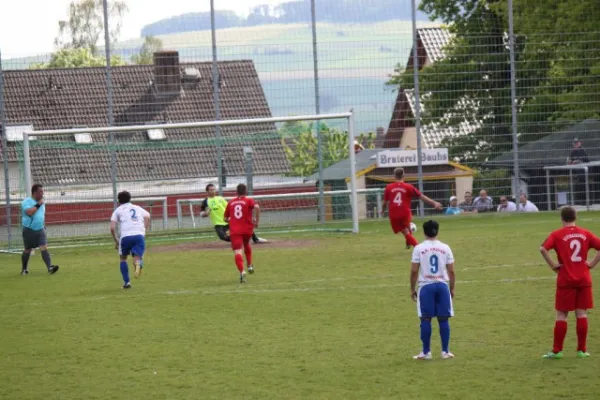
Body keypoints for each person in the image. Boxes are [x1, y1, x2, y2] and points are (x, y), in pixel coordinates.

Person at [539, 206, 600, 359]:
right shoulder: (585, 233)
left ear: (562, 218)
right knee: (582, 314)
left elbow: (542, 249)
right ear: (575, 217)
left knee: (561, 315)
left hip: (566, 279)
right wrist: (591, 264)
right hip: (584, 279)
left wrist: (553, 265)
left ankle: (557, 351)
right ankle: (582, 350)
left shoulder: (557, 234)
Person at [411, 220, 456, 360]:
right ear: (437, 231)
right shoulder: (446, 248)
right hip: (442, 286)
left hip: (426, 286)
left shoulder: (418, 248)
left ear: (424, 232)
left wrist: (412, 288)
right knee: (443, 319)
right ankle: (445, 351)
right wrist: (452, 288)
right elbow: (452, 271)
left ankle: (426, 352)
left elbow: (414, 271)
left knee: (425, 319)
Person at [381, 168, 442, 249]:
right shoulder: (408, 187)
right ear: (403, 176)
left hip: (394, 213)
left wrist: (382, 210)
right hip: (405, 213)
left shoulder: (389, 187)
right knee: (407, 228)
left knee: (405, 231)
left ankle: (417, 247)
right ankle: (411, 245)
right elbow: (421, 197)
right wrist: (434, 203)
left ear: (394, 176)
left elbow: (385, 202)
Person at [200, 184, 267, 244]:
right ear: (207, 191)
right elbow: (201, 213)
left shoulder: (220, 198)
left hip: (228, 220)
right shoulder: (205, 201)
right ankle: (239, 240)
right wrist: (205, 213)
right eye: (211, 190)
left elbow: (229, 207)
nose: (213, 191)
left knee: (244, 226)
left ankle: (256, 239)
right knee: (223, 237)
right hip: (218, 224)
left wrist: (232, 216)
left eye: (214, 189)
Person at [110, 191, 151, 289]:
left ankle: (127, 283)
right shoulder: (137, 208)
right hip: (139, 235)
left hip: (125, 236)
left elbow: (112, 228)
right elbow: (148, 216)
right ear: (130, 199)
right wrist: (143, 230)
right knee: (137, 257)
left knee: (123, 258)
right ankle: (137, 265)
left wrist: (116, 241)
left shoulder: (118, 210)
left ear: (118, 200)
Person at [224, 184, 260, 283]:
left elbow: (225, 218)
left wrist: (232, 220)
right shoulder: (249, 200)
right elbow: (257, 207)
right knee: (246, 244)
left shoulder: (231, 202)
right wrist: (256, 221)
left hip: (235, 230)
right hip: (247, 229)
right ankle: (249, 265)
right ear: (246, 191)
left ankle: (242, 272)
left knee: (237, 251)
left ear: (236, 191)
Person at [20, 184, 59, 275]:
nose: (42, 193)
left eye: (42, 191)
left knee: (44, 247)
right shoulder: (26, 202)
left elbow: (41, 215)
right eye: (40, 191)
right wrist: (38, 204)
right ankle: (24, 269)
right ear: (35, 192)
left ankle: (50, 267)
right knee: (28, 250)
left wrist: (43, 225)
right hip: (29, 229)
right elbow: (29, 213)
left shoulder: (42, 202)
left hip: (40, 229)